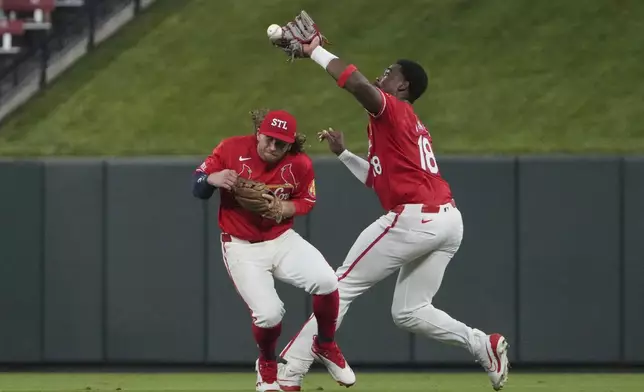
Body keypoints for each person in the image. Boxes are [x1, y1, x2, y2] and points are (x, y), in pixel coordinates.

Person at [273, 34, 510, 391]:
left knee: (341, 285)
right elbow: (377, 178)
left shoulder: (393, 109)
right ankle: (483, 345)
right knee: (410, 311)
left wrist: (314, 50)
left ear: (403, 86)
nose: (381, 77)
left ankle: (290, 373)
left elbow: (355, 83)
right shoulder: (406, 125)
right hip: (447, 221)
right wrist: (343, 154)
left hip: (418, 218)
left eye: (388, 73)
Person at [192, 109, 355, 392]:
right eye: (269, 139)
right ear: (259, 133)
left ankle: (325, 343)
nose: (273, 147)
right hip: (241, 247)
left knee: (328, 281)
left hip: (281, 239)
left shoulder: (300, 163)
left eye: (281, 143)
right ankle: (267, 363)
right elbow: (196, 187)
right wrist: (211, 180)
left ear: (290, 144)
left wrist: (285, 207)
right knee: (269, 314)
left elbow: (306, 200)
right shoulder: (230, 149)